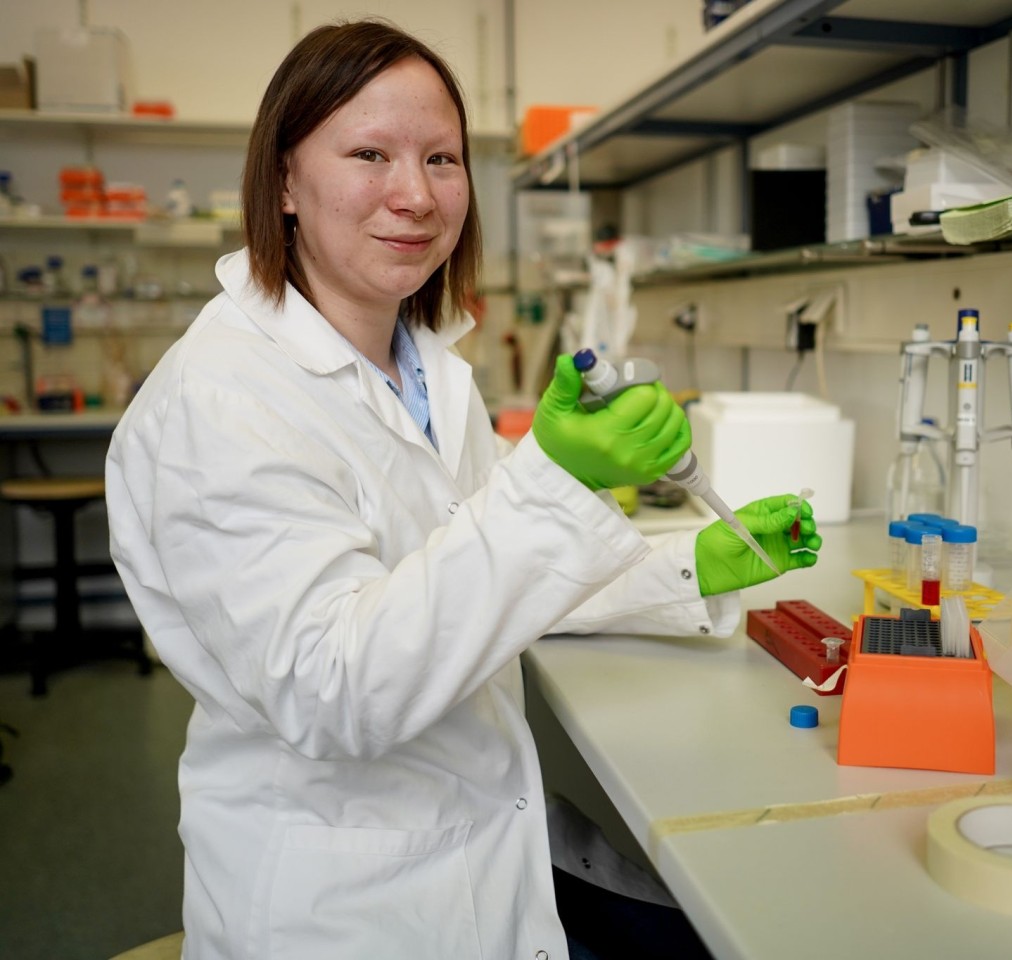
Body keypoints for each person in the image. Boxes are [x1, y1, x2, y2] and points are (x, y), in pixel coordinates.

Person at [105, 19, 822, 960]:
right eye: (369, 153)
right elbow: (337, 690)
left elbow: (483, 571)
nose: (415, 194)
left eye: (441, 158)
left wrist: (690, 565)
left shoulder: (428, 366)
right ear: (283, 180)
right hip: (350, 898)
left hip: (481, 827)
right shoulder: (220, 403)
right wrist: (559, 482)